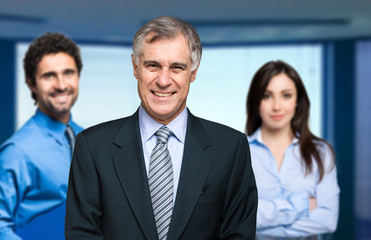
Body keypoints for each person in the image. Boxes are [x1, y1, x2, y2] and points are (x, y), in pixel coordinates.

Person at [65, 16, 257, 240]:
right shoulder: (92, 147)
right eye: (152, 65)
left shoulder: (231, 148)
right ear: (136, 67)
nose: (163, 80)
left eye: (177, 67)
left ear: (193, 72)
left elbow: (238, 235)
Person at [0, 32, 84, 240]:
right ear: (32, 83)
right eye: (49, 76)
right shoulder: (18, 152)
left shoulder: (90, 140)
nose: (61, 85)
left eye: (68, 73)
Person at [245, 60, 340, 239]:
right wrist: (302, 205)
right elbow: (241, 217)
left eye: (286, 95)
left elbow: (328, 219)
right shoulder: (239, 153)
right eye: (267, 95)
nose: (277, 106)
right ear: (256, 101)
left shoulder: (320, 153)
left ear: (298, 101)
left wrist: (264, 228)